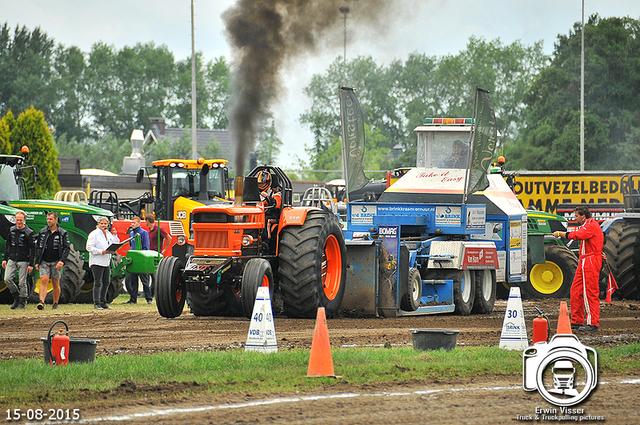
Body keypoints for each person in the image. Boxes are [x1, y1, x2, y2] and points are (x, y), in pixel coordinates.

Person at [553, 206, 604, 332]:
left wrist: (560, 233)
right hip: (584, 260)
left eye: (576, 216)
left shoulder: (590, 225)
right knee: (576, 290)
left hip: (590, 261)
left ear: (583, 216)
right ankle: (577, 321)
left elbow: (578, 235)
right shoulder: (589, 225)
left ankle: (593, 323)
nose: (575, 218)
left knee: (589, 293)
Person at [34, 211, 70, 310]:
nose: (48, 221)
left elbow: (67, 248)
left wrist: (62, 260)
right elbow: (38, 247)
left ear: (56, 220)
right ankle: (41, 302)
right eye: (47, 219)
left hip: (56, 261)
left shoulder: (62, 233)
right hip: (44, 261)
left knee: (55, 282)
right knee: (44, 280)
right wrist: (37, 261)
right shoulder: (43, 232)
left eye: (50, 219)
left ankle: (55, 303)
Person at [2, 210, 35, 309]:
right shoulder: (12, 230)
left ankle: (22, 302)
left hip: (23, 260)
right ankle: (16, 297)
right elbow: (8, 245)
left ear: (24, 220)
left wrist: (30, 264)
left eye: (20, 220)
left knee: (22, 282)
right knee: (7, 279)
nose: (19, 222)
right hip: (12, 258)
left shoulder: (29, 232)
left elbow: (32, 249)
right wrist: (5, 259)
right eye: (17, 220)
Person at [86, 216, 119, 310]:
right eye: (102, 223)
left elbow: (113, 243)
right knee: (98, 282)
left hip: (106, 261)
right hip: (97, 261)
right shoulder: (94, 234)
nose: (104, 225)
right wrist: (101, 251)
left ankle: (103, 301)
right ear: (98, 224)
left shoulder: (108, 234)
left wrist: (115, 236)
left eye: (105, 224)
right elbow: (89, 247)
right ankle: (96, 302)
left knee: (106, 282)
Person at [124, 216, 152, 304]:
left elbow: (146, 246)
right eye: (132, 223)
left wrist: (142, 257)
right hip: (134, 259)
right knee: (133, 280)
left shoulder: (143, 233)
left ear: (139, 223)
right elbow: (131, 245)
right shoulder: (131, 233)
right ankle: (133, 299)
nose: (132, 224)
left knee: (144, 280)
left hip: (141, 259)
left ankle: (149, 298)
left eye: (134, 223)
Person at [145, 215, 170, 297]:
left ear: (147, 221)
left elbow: (169, 238)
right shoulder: (150, 230)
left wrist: (164, 249)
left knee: (155, 275)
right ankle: (150, 293)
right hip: (150, 254)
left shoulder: (158, 229)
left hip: (156, 254)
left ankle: (155, 293)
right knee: (150, 274)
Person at [257, 170, 282, 241]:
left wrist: (268, 198)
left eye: (263, 183)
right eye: (259, 184)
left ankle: (265, 241)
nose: (261, 185)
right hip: (257, 215)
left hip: (272, 215)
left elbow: (277, 203)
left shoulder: (276, 193)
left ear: (269, 182)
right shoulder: (253, 194)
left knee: (265, 220)